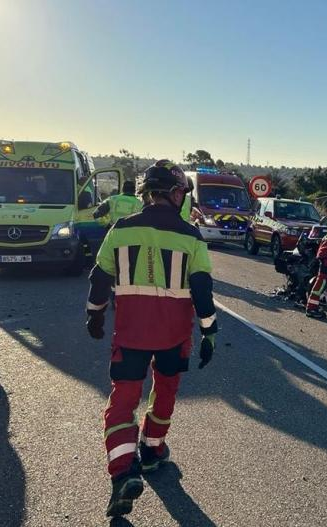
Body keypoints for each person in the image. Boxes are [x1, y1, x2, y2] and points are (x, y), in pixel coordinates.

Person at [85, 163, 218, 517]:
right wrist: (209, 331)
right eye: (182, 194)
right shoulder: (191, 236)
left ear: (146, 193)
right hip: (174, 337)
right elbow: (203, 289)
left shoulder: (121, 230)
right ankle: (152, 451)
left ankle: (121, 474)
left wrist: (94, 314)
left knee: (122, 403)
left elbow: (100, 279)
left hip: (130, 335)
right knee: (165, 391)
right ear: (175, 194)